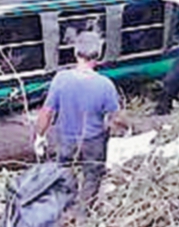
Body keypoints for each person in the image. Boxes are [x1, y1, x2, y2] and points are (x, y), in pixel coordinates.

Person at [33, 31, 127, 206]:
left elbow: (47, 112)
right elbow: (117, 118)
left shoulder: (61, 79)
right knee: (92, 176)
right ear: (98, 56)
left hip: (66, 139)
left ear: (75, 53)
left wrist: (40, 136)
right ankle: (84, 214)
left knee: (65, 172)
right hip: (93, 141)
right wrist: (124, 128)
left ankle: (65, 206)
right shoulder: (105, 85)